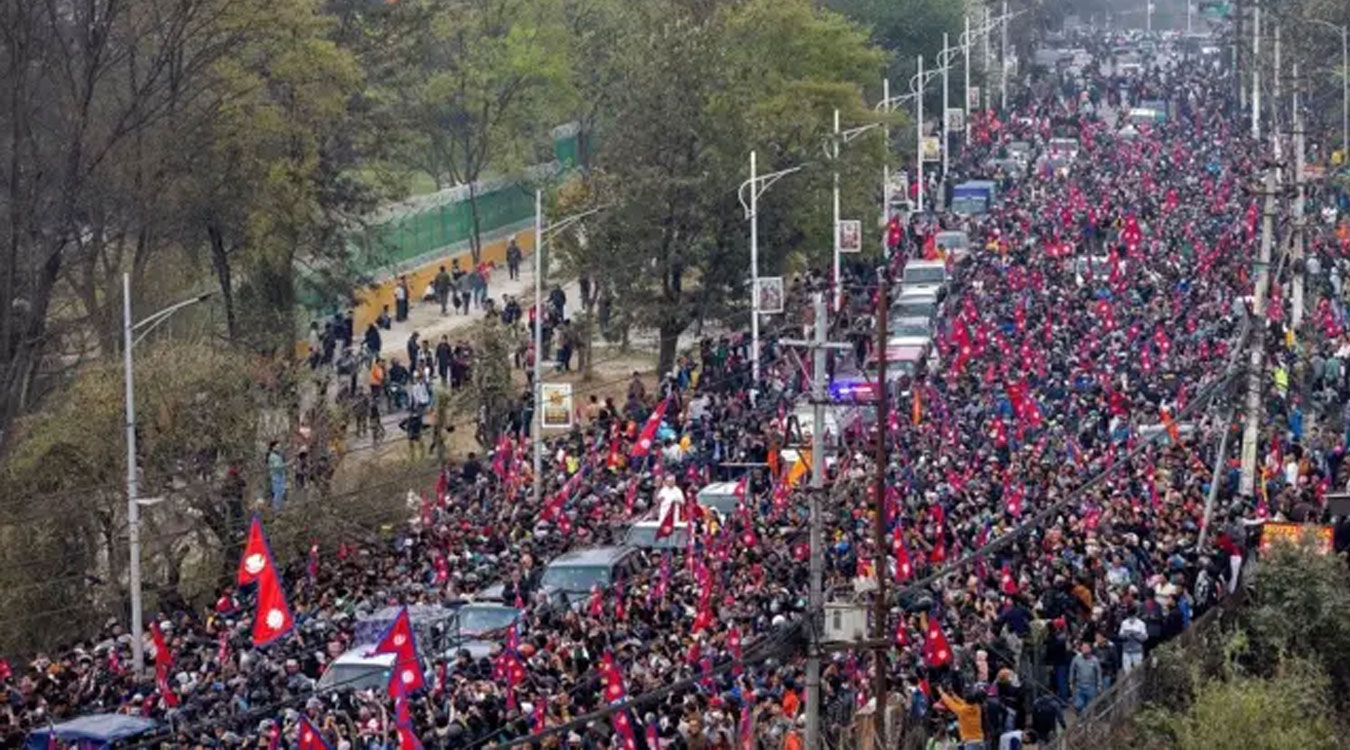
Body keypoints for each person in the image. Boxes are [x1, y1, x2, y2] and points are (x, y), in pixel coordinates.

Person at [1069, 641, 1103, 713]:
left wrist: (1099, 685)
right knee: (1078, 705)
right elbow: (1072, 670)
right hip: (1079, 686)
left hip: (1091, 686)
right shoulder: (1076, 659)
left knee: (1090, 707)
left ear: (1090, 649)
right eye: (1083, 648)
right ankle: (1081, 719)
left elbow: (1099, 673)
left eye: (1086, 648)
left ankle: (1087, 722)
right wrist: (1071, 682)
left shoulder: (1095, 660)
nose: (1084, 649)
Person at [1119, 608, 1148, 674]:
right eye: (1129, 616)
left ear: (1135, 615)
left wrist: (1135, 635)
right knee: (1127, 671)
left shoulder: (1141, 624)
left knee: (1138, 671)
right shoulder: (1124, 623)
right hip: (1126, 651)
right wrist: (1126, 635)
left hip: (1137, 651)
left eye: (1132, 616)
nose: (1131, 617)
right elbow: (1120, 635)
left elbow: (1145, 638)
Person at [266, 441, 286, 510]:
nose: (279, 448)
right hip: (276, 476)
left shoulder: (278, 456)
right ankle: (276, 509)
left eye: (279, 447)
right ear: (273, 447)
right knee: (277, 493)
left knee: (281, 492)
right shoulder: (272, 456)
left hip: (280, 476)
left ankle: (279, 508)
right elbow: (277, 467)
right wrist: (287, 464)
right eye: (277, 447)